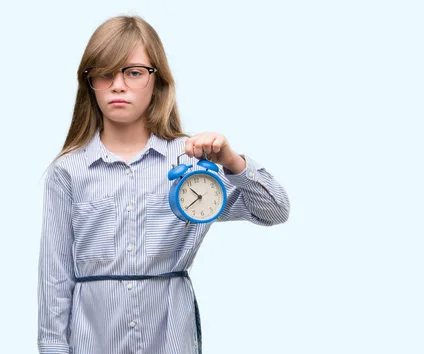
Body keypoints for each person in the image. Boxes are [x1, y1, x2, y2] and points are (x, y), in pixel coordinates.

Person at [37, 15, 290, 354]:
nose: (118, 85)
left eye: (134, 72)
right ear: (89, 83)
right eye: (105, 73)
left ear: (158, 81)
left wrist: (232, 163)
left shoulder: (193, 164)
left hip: (171, 339)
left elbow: (275, 210)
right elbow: (55, 279)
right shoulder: (68, 172)